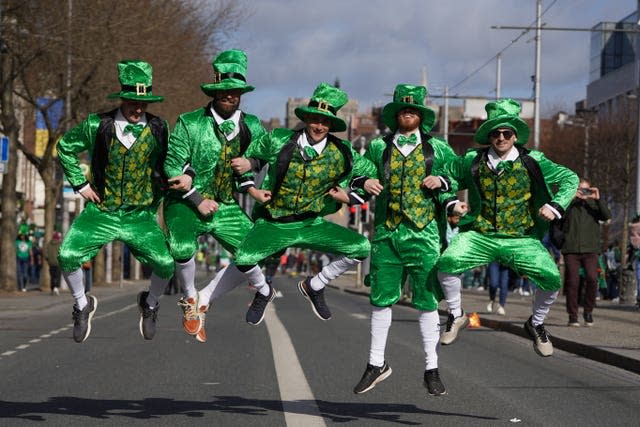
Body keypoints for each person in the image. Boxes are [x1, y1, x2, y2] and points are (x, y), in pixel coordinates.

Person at [207, 82, 377, 326]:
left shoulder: (343, 152)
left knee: (361, 247)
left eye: (325, 122)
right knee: (244, 258)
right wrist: (251, 182)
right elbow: (252, 158)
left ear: (331, 125)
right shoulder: (279, 139)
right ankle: (264, 291)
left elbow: (368, 175)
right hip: (275, 223)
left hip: (312, 224)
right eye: (315, 119)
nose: (319, 126)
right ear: (306, 118)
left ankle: (315, 285)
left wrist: (351, 195)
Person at [436, 98, 579, 356]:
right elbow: (446, 176)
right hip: (480, 235)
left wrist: (556, 206)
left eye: (506, 133)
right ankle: (456, 315)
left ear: (514, 136)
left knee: (551, 278)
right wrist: (451, 202)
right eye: (495, 133)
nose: (501, 137)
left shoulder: (533, 161)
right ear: (489, 136)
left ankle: (535, 324)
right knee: (447, 262)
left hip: (520, 238)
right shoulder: (472, 160)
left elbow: (570, 178)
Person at [350, 84, 458, 396]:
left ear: (421, 116)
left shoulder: (438, 149)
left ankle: (431, 368)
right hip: (386, 232)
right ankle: (375, 363)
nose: (407, 113)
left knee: (426, 302)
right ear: (396, 114)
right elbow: (359, 171)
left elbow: (456, 176)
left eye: (413, 110)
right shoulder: (376, 147)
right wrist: (365, 180)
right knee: (381, 299)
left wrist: (444, 186)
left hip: (424, 236)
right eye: (403, 109)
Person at [56, 59, 174, 343]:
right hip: (102, 211)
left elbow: (172, 161)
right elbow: (65, 148)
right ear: (122, 97)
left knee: (166, 263)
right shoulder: (98, 125)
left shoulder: (159, 128)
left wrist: (181, 181)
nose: (137, 108)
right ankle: (82, 304)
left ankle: (150, 303)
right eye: (132, 101)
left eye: (143, 103)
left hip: (140, 215)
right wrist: (81, 183)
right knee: (67, 255)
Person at [163, 49, 267, 343]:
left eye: (234, 91)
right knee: (181, 246)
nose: (229, 96)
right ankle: (189, 299)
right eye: (223, 90)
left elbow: (262, 154)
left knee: (256, 249)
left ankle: (205, 298)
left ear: (241, 94)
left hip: (226, 204)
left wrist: (253, 168)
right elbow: (173, 163)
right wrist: (195, 196)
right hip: (186, 201)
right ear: (214, 90)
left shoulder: (252, 126)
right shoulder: (190, 122)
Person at [560, 178, 611, 327]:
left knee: (592, 279)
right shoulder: (570, 203)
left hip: (590, 249)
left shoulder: (594, 204)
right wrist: (571, 197)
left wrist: (596, 198)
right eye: (580, 189)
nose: (583, 192)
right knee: (572, 283)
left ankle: (588, 311)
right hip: (571, 249)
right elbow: (560, 217)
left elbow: (607, 216)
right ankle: (572, 315)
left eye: (586, 189)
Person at [45, 231, 62, 295]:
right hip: (58, 263)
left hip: (51, 263)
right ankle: (56, 288)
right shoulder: (60, 244)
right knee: (57, 276)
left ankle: (52, 289)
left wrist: (48, 260)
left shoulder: (49, 244)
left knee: (52, 276)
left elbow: (46, 254)